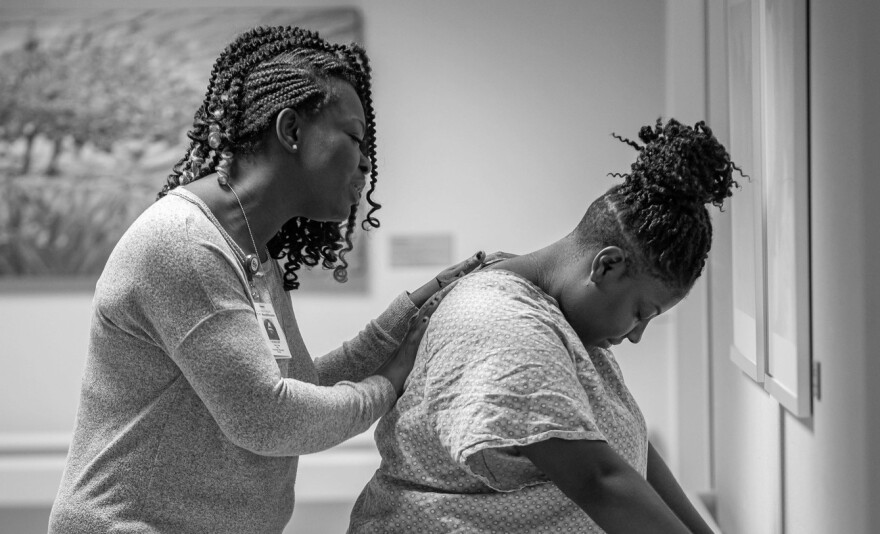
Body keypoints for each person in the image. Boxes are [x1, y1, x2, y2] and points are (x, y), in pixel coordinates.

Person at [48, 26, 486, 534]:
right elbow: (268, 418)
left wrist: (405, 316)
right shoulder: (186, 245)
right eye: (354, 137)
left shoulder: (250, 254)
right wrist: (388, 384)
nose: (367, 161)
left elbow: (294, 390)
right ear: (291, 130)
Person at [348, 118, 742, 534]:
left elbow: (631, 456)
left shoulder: (561, 318)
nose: (637, 333)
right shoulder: (499, 321)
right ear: (607, 265)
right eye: (642, 312)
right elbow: (599, 479)